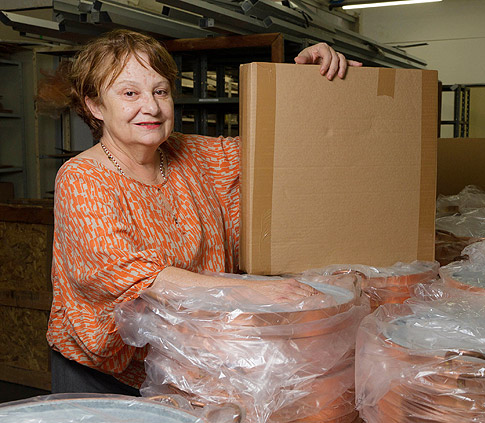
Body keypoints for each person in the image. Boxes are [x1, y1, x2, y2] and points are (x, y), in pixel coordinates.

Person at [41, 29, 362, 396]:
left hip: (182, 362)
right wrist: (260, 293)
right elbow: (139, 279)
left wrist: (308, 83)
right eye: (130, 93)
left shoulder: (193, 155)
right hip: (102, 372)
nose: (152, 106)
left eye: (160, 91)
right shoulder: (82, 179)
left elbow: (280, 146)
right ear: (95, 105)